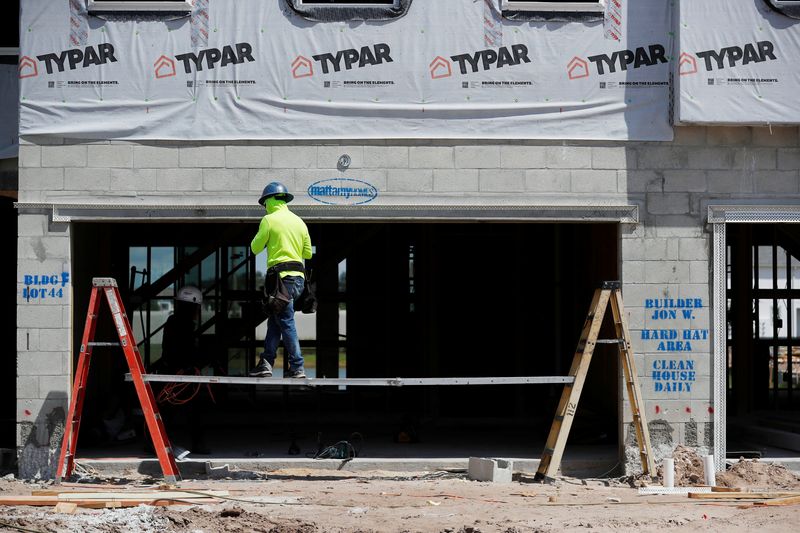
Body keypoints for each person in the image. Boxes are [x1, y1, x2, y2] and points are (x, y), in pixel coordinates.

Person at [249, 182, 312, 379]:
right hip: (299, 280)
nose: (264, 207)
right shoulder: (299, 222)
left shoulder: (269, 220)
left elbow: (255, 248)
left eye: (264, 203)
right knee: (275, 322)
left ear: (269, 200)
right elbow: (307, 253)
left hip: (280, 281)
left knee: (286, 321)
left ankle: (297, 366)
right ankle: (266, 363)